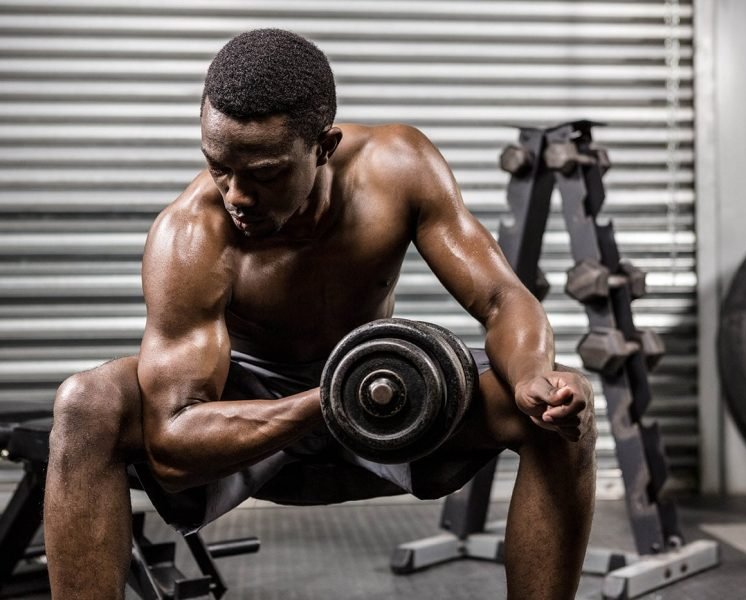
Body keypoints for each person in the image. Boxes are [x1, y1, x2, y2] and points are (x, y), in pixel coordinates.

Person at [44, 29, 596, 600]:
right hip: (253, 401)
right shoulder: (190, 237)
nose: (237, 195)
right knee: (86, 404)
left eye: (265, 173)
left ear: (323, 147)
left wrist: (534, 376)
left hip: (384, 390)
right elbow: (174, 443)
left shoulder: (396, 168)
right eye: (218, 168)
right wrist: (329, 399)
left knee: (559, 410)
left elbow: (502, 298)